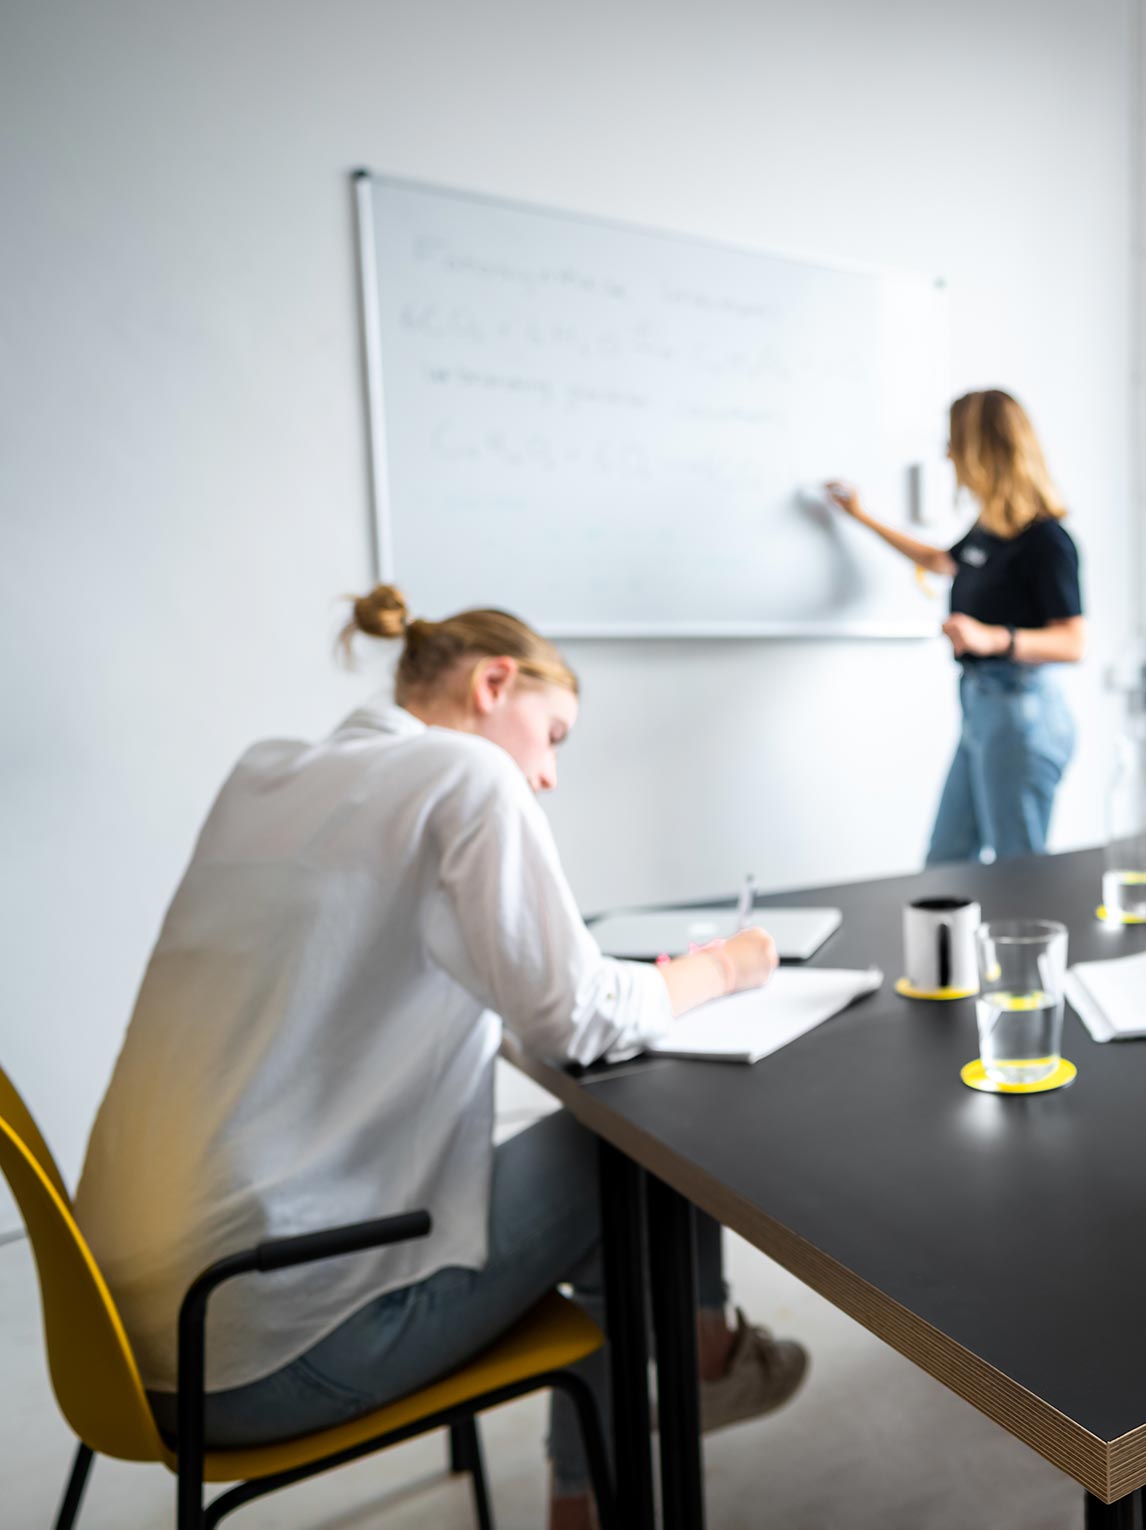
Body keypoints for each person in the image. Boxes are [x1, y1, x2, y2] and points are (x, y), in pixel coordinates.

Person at [75, 587, 808, 1530]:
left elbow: (352, 984)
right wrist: (724, 966)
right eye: (554, 735)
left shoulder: (265, 773)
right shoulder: (464, 775)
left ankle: (681, 1381)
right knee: (638, 1152)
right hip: (269, 1355)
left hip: (121, 1335)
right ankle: (685, 1383)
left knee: (601, 1140)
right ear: (494, 683)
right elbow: (578, 1018)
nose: (548, 776)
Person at [826, 387, 1086, 864]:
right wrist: (860, 516)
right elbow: (939, 560)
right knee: (946, 861)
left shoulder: (1046, 541)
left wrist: (992, 638)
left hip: (1020, 712)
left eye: (954, 441)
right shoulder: (988, 533)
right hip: (980, 707)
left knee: (1018, 870)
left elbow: (1072, 642)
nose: (947, 453)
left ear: (981, 448)